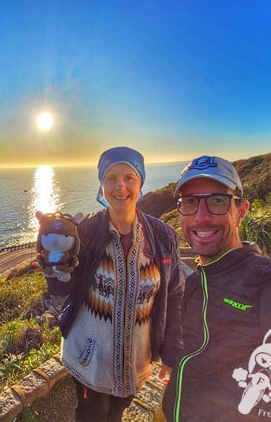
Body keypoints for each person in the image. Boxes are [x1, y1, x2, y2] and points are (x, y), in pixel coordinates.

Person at [163, 155, 271, 421]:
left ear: (241, 211)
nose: (201, 217)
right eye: (190, 202)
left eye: (218, 201)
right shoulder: (196, 284)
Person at [42, 147, 185, 422]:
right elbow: (63, 289)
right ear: (101, 185)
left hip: (136, 362)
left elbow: (176, 294)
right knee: (91, 415)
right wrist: (54, 271)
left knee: (117, 413)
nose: (120, 186)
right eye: (111, 178)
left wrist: (171, 351)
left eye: (129, 177)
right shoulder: (84, 232)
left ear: (140, 182)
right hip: (89, 360)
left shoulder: (163, 237)